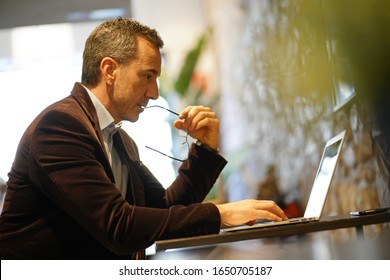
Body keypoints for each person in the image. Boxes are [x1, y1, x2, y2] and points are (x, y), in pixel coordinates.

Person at [0, 17, 287, 259]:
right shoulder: (60, 126)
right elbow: (118, 225)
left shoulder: (119, 139)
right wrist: (219, 213)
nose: (154, 93)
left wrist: (205, 149)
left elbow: (165, 209)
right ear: (109, 70)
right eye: (148, 76)